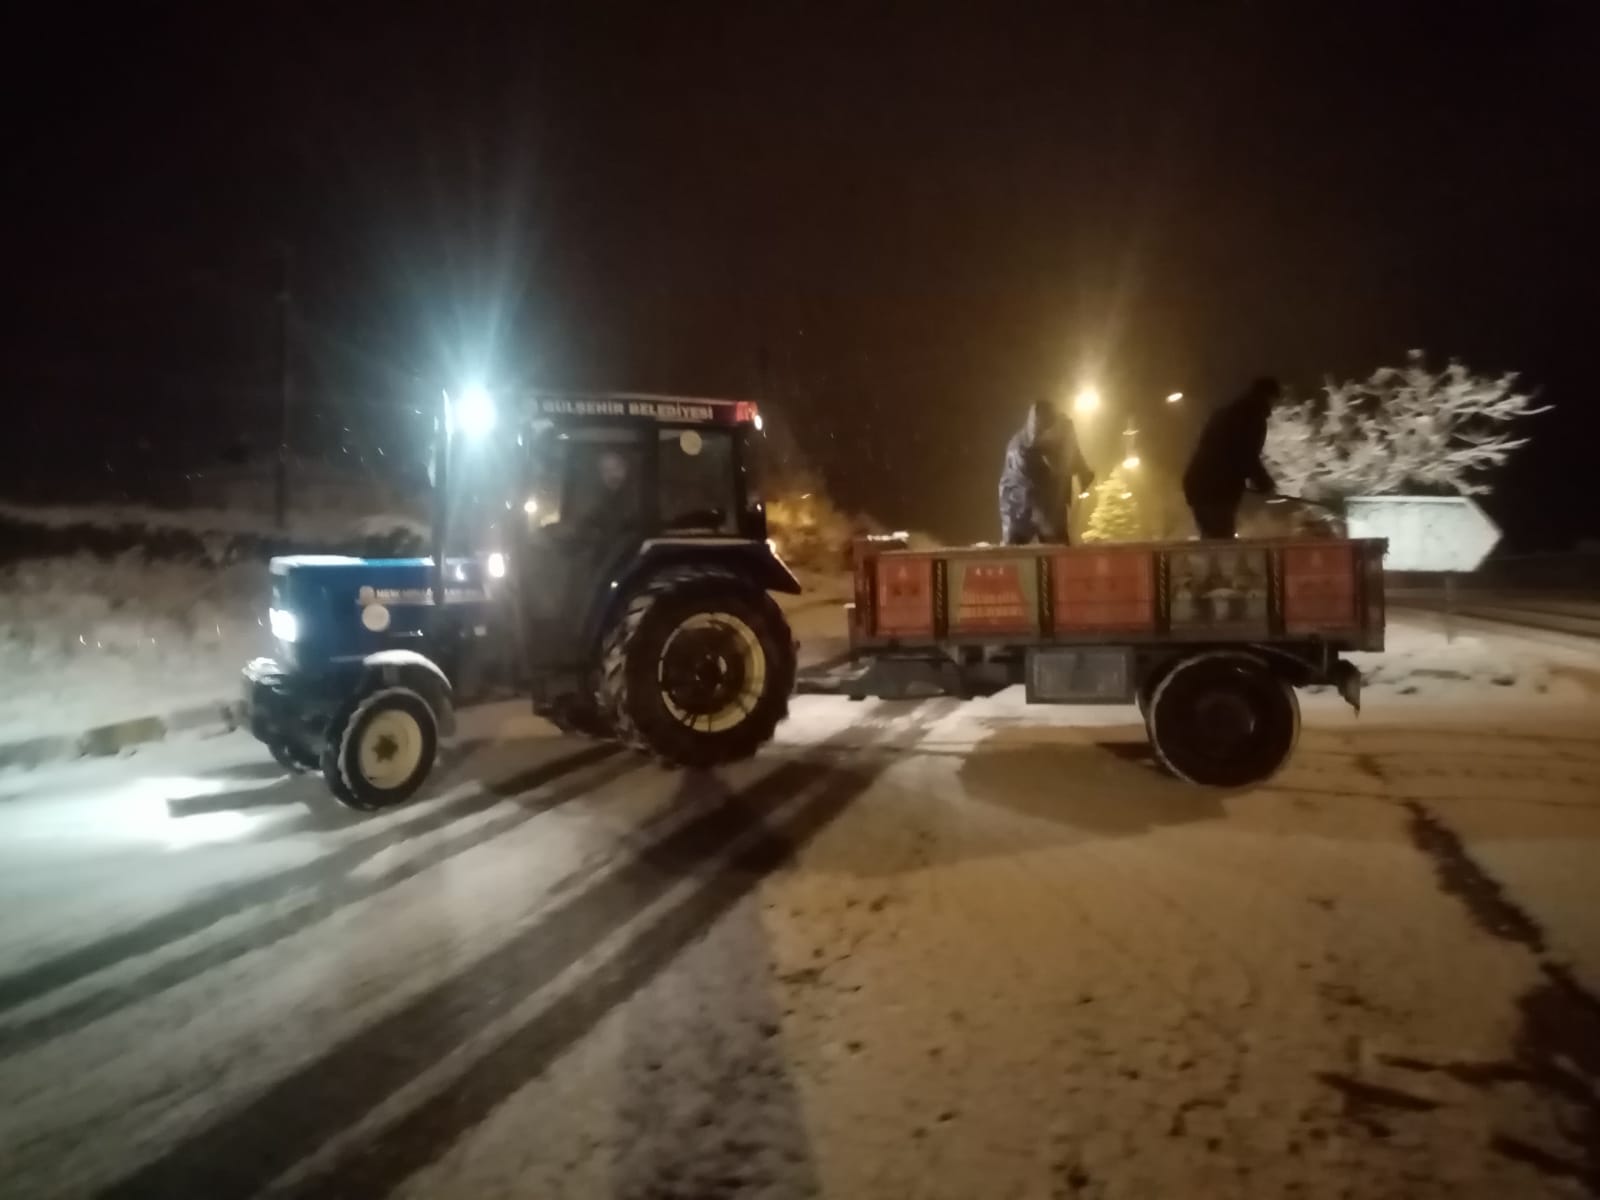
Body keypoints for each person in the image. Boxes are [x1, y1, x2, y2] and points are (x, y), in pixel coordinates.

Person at [1182, 376, 1282, 540]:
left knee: (1213, 539)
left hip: (1198, 483)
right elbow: (1246, 454)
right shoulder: (1252, 417)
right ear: (1269, 397)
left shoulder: (1227, 412)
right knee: (1221, 542)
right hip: (1216, 488)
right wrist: (1264, 483)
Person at [998, 399, 1093, 545]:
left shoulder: (1063, 431)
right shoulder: (1020, 448)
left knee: (1056, 545)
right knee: (1017, 541)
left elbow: (1072, 453)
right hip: (1020, 500)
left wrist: (1083, 471)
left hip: (1049, 500)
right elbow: (1052, 468)